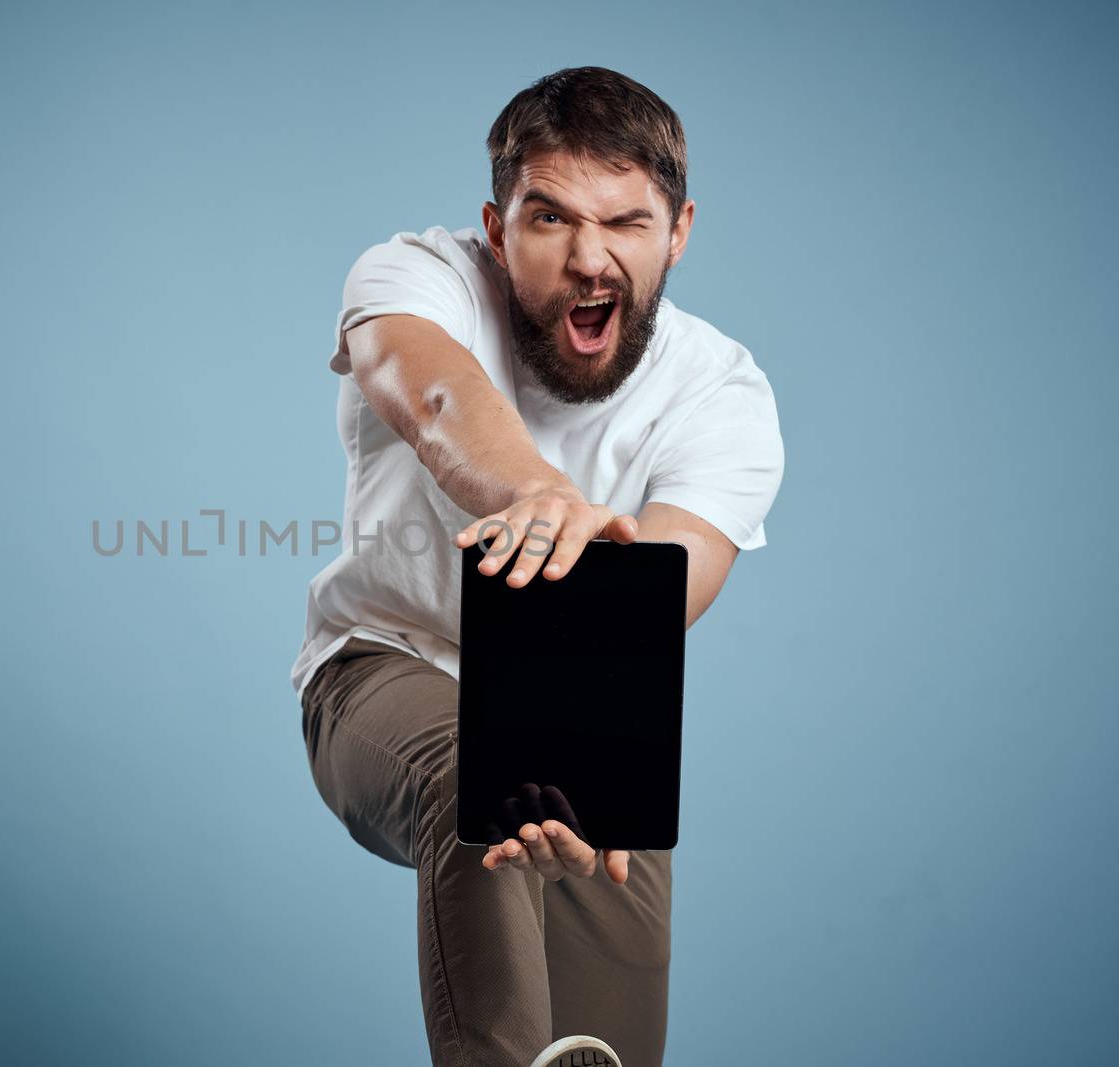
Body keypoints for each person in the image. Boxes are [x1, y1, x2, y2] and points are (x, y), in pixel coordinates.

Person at [292, 67, 786, 1067]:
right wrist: (533, 492)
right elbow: (429, 395)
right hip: (382, 666)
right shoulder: (413, 276)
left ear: (678, 231)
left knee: (607, 1042)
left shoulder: (721, 394)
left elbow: (660, 594)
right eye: (549, 217)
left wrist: (582, 723)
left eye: (626, 223)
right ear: (496, 223)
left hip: (588, 711)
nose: (587, 257)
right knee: (474, 773)